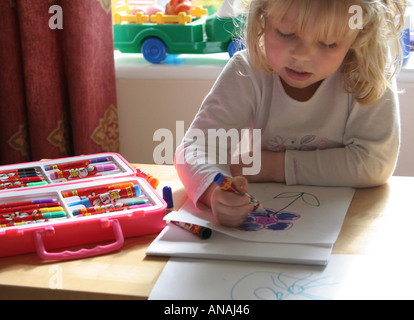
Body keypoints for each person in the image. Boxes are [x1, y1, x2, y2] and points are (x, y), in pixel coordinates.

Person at [175, 0, 407, 227]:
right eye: (286, 33)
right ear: (261, 18)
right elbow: (194, 149)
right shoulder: (246, 72)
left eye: (328, 43)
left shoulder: (367, 75)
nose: (302, 55)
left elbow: (375, 163)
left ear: (357, 36)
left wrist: (274, 166)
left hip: (348, 228)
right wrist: (214, 192)